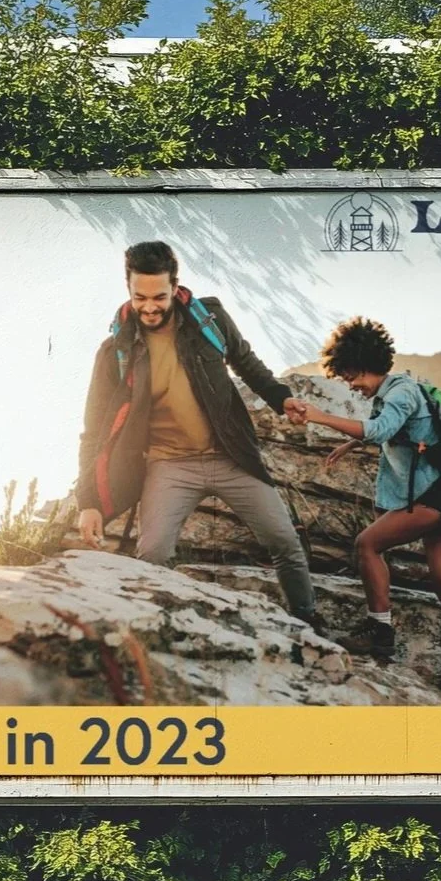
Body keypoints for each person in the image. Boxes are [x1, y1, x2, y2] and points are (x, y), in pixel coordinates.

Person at [73, 240, 321, 630]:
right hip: (169, 465)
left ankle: (308, 622)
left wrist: (282, 398)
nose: (149, 307)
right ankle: (154, 630)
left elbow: (246, 362)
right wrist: (88, 501)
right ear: (128, 289)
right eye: (140, 297)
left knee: (285, 543)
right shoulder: (114, 351)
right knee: (152, 554)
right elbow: (93, 430)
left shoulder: (210, 320)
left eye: (159, 296)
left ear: (175, 286)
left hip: (229, 455)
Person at [289, 316, 441, 693]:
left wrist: (320, 417)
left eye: (350, 376)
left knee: (367, 544)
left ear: (362, 363)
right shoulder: (394, 391)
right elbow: (390, 428)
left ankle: (380, 631)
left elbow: (380, 430)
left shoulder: (401, 392)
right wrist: (350, 444)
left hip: (438, 496)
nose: (350, 384)